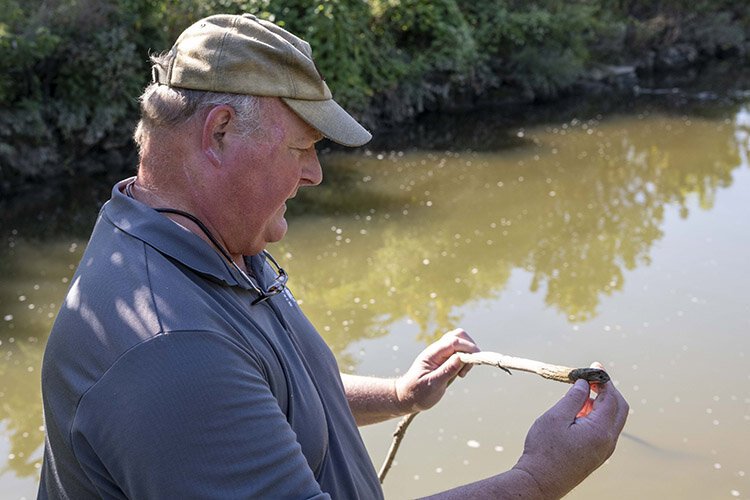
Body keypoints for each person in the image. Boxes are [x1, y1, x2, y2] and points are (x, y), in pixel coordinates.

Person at [39, 13, 628, 499]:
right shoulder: (169, 348)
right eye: (301, 148)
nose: (314, 173)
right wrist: (538, 478)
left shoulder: (207, 241)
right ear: (219, 132)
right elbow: (208, 388)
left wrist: (399, 395)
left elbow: (256, 397)